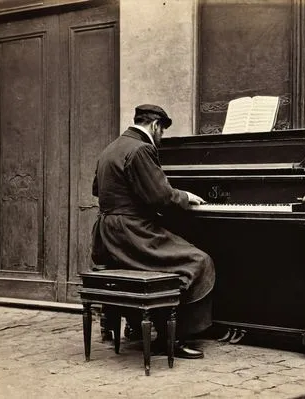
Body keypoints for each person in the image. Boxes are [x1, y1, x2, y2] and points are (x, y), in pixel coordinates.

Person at [91, 104, 215, 359]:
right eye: (162, 132)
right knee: (199, 262)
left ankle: (139, 323)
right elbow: (160, 197)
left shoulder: (111, 148)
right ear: (155, 125)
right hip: (132, 233)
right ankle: (173, 335)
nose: (162, 138)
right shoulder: (141, 149)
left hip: (108, 235)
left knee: (172, 259)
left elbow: (97, 189)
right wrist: (186, 196)